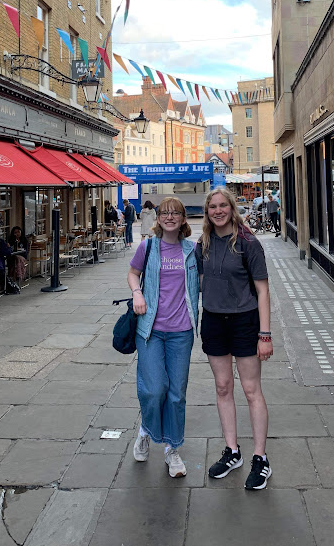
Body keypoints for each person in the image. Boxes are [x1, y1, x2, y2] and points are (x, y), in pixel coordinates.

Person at [195, 187, 273, 491]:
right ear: (207, 211)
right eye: (212, 206)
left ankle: (259, 457)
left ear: (232, 208)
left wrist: (264, 334)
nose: (217, 211)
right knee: (223, 386)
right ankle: (232, 452)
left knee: (251, 389)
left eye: (222, 205)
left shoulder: (248, 243)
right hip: (214, 321)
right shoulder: (202, 243)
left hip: (244, 321)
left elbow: (263, 290)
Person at [127, 197, 199, 478]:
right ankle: (146, 429)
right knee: (154, 389)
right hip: (151, 331)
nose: (170, 217)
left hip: (182, 332)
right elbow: (134, 274)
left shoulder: (192, 251)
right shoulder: (148, 247)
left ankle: (171, 448)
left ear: (183, 219)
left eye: (176, 213)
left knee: (176, 394)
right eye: (164, 212)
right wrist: (137, 293)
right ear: (158, 218)